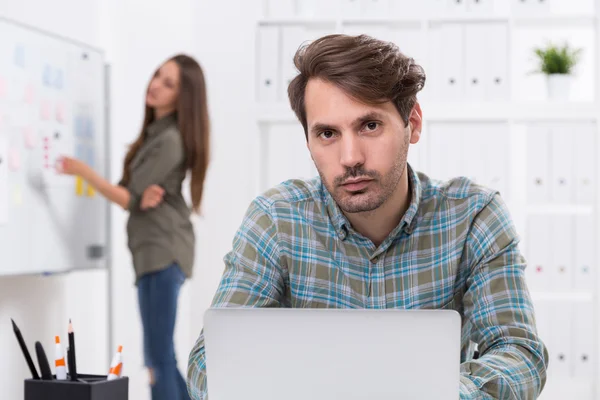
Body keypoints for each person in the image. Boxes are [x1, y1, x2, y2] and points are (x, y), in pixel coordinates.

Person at [187, 34, 548, 399]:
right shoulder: (276, 219)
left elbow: (519, 353)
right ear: (308, 141)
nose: (350, 157)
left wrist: (439, 394)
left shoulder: (474, 215)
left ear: (414, 123)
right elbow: (210, 363)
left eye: (369, 126)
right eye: (327, 133)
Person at [58, 54, 210, 400]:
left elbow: (127, 197)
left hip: (162, 251)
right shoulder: (156, 135)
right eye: (158, 74)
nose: (155, 84)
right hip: (154, 251)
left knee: (157, 358)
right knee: (162, 356)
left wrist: (82, 171)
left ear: (182, 98)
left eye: (168, 83)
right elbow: (135, 195)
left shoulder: (169, 140)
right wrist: (137, 196)